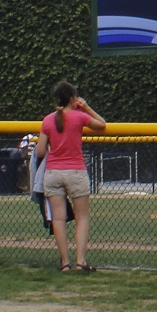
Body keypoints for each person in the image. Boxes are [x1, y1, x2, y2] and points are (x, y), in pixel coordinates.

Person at [40, 81, 107, 271]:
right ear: (72, 99)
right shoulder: (80, 117)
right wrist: (86, 108)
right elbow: (102, 125)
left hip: (53, 173)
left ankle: (64, 263)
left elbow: (40, 151)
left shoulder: (47, 120)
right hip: (76, 172)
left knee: (58, 219)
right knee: (82, 217)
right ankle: (80, 261)